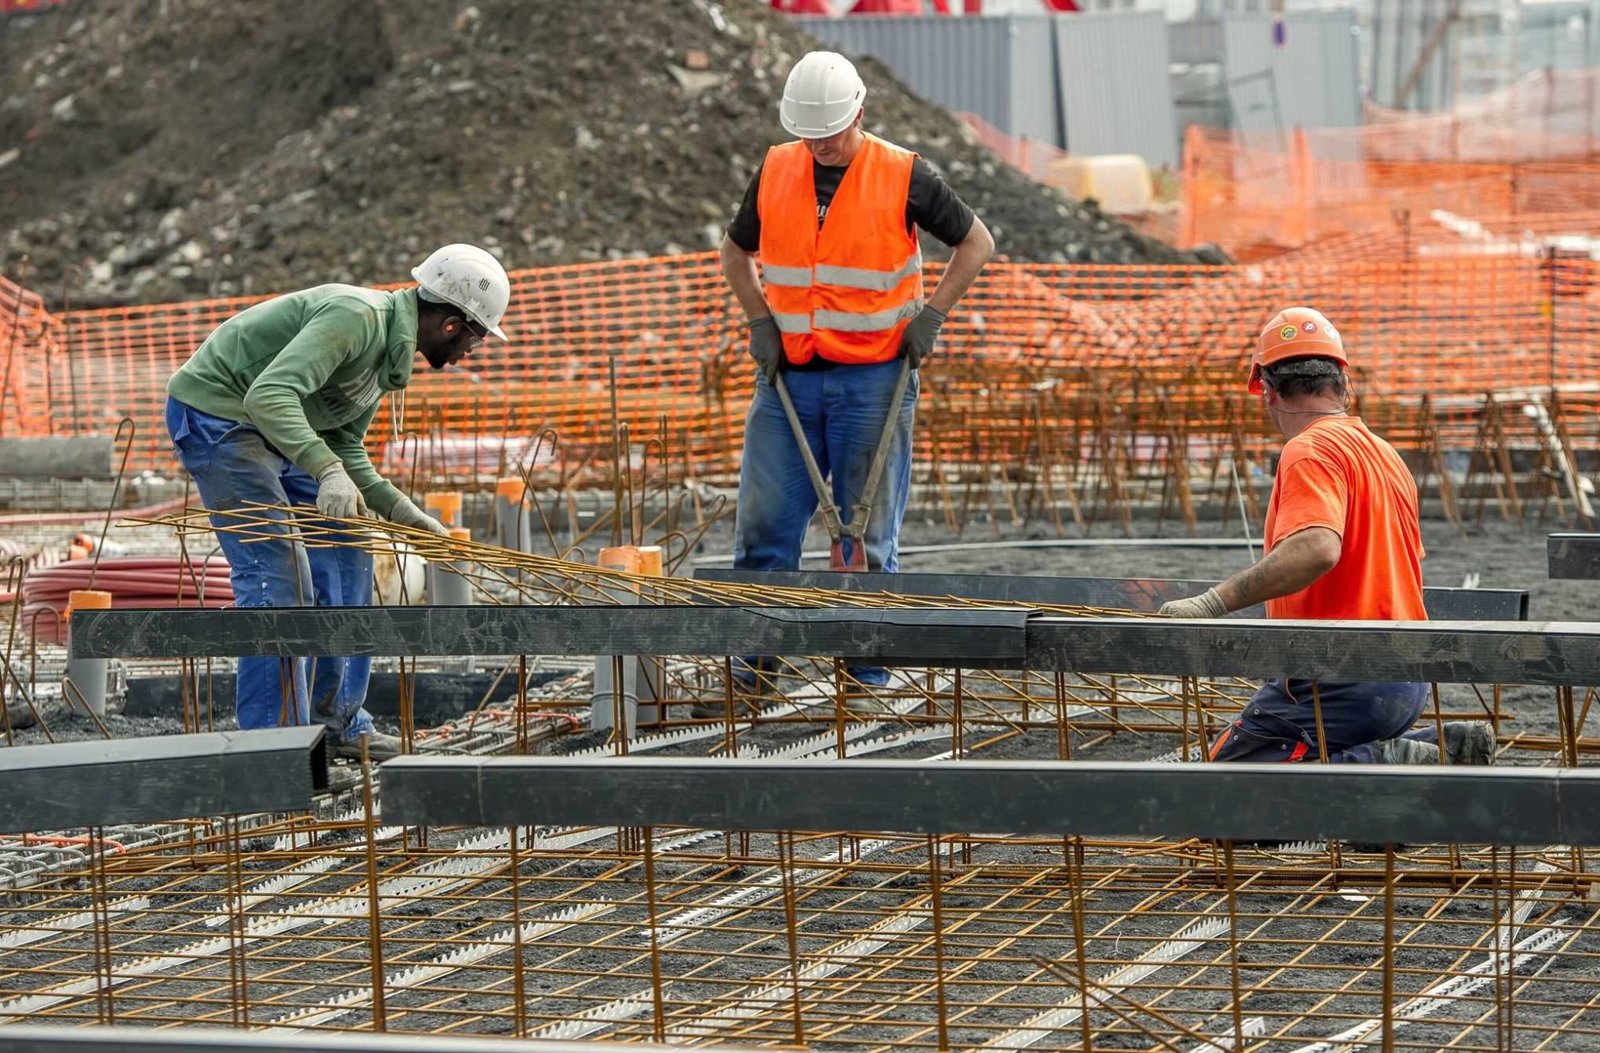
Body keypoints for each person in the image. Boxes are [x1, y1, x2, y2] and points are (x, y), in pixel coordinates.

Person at [716, 50, 995, 712]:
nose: (818, 146)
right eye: (809, 134)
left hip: (873, 379)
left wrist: (932, 314)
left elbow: (977, 241)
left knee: (863, 540)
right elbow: (735, 249)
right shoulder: (778, 167)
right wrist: (760, 319)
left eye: (830, 134)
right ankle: (754, 675)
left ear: (859, 116)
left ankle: (863, 681)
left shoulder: (904, 174)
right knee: (763, 533)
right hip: (790, 381)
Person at [164, 243, 510, 759]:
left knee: (350, 552)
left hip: (279, 427)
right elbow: (269, 395)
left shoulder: (387, 356)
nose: (472, 353)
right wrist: (325, 470)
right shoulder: (358, 318)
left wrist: (402, 512)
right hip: (221, 417)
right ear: (452, 325)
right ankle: (274, 751)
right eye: (478, 339)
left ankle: (336, 720)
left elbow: (345, 442)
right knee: (278, 575)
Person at [1158, 307, 1495, 766]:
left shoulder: (1310, 448)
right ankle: (1437, 746)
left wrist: (1212, 603)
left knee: (1227, 789)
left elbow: (1317, 548)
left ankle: (1386, 761)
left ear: (1269, 392)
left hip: (1341, 673)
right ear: (1342, 385)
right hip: (1407, 675)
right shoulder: (1383, 453)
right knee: (1285, 759)